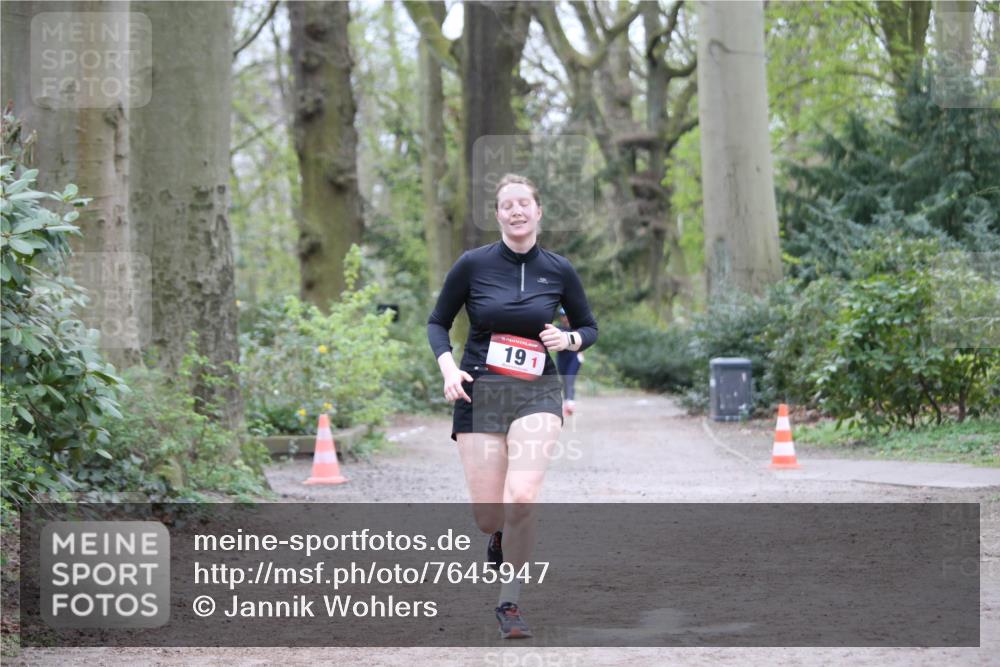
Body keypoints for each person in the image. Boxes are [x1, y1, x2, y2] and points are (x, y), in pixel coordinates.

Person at [427, 173, 598, 638]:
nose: (517, 211)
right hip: (480, 391)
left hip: (537, 392)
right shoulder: (472, 265)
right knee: (488, 514)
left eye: (525, 203)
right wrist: (448, 369)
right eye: (507, 205)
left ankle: (510, 602)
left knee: (522, 494)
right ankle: (499, 535)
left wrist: (569, 339)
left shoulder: (559, 270)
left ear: (539, 211)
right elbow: (438, 322)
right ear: (498, 214)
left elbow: (589, 328)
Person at [555, 308, 584, 417]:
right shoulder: (558, 329)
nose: (565, 318)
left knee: (569, 379)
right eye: (563, 315)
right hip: (562, 358)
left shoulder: (576, 328)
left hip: (574, 357)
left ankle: (570, 403)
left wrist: (581, 354)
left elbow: (582, 341)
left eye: (566, 315)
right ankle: (567, 402)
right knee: (564, 379)